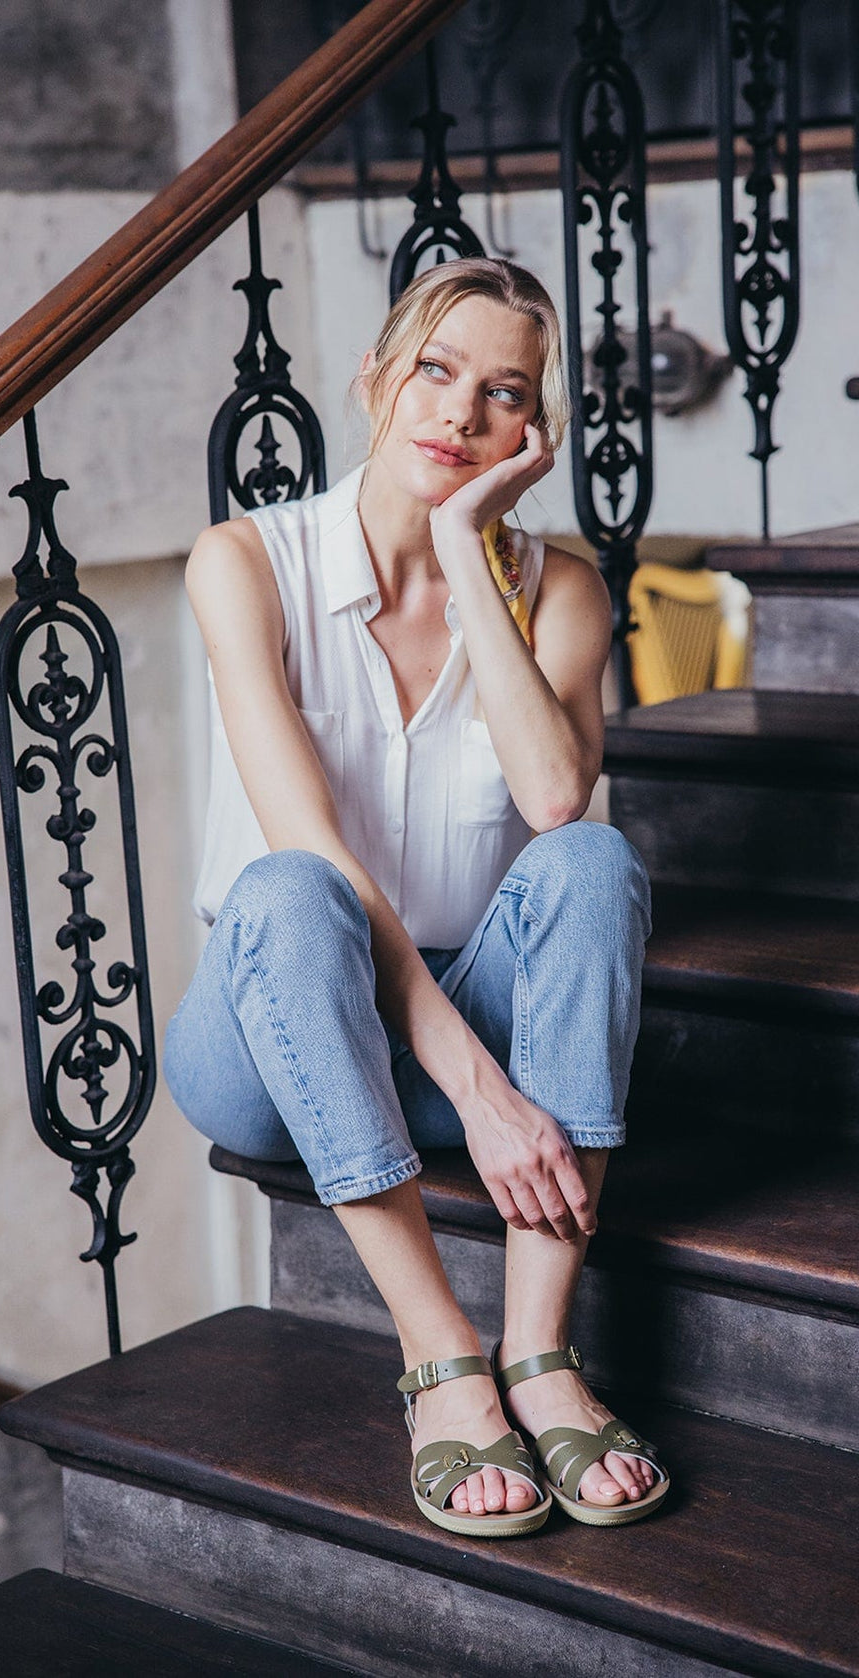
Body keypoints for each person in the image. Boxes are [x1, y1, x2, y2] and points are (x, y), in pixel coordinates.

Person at [164, 258, 668, 1537]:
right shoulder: (244, 562)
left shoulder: (562, 589)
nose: (460, 411)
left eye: (505, 392)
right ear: (374, 380)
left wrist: (464, 551)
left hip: (472, 1011)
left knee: (594, 863)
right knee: (289, 889)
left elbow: (555, 798)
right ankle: (442, 1358)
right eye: (436, 370)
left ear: (534, 432)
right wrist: (483, 1091)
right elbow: (315, 855)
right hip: (277, 1031)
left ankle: (540, 1352)